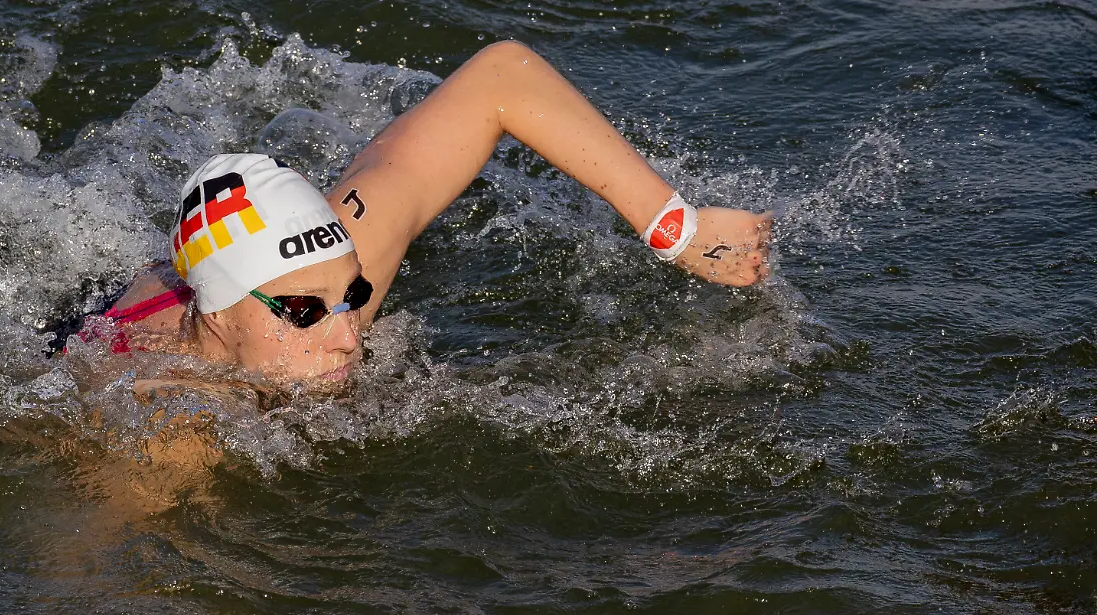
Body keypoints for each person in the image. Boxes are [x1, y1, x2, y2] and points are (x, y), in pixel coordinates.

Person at [77, 40, 771, 391]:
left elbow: (500, 79)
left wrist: (673, 226)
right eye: (308, 312)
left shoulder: (315, 267)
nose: (349, 337)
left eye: (352, 294)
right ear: (223, 311)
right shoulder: (164, 426)